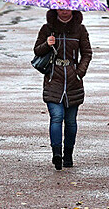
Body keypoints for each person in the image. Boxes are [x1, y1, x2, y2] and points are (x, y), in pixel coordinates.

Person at [34, 9, 92, 170]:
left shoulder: (80, 29)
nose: (64, 12)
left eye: (67, 9)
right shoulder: (47, 28)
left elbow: (87, 53)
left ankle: (68, 154)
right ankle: (57, 154)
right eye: (60, 8)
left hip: (74, 81)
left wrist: (80, 72)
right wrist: (47, 43)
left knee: (71, 121)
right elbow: (37, 51)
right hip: (54, 79)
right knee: (57, 116)